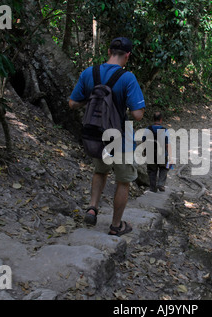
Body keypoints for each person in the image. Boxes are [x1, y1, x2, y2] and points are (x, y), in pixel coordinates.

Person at [68, 37, 145, 236]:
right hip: (121, 137)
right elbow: (137, 114)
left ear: (109, 50)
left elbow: (72, 103)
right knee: (123, 181)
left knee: (100, 172)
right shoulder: (128, 78)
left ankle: (92, 207)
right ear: (127, 55)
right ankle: (115, 225)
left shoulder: (89, 73)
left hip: (96, 134)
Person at [143, 112, 173, 193]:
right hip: (162, 154)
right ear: (161, 120)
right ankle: (161, 183)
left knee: (152, 171)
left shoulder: (147, 129)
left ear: (153, 119)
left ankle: (153, 188)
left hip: (151, 154)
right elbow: (167, 145)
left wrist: (144, 151)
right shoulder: (165, 131)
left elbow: (144, 142)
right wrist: (171, 157)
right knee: (164, 168)